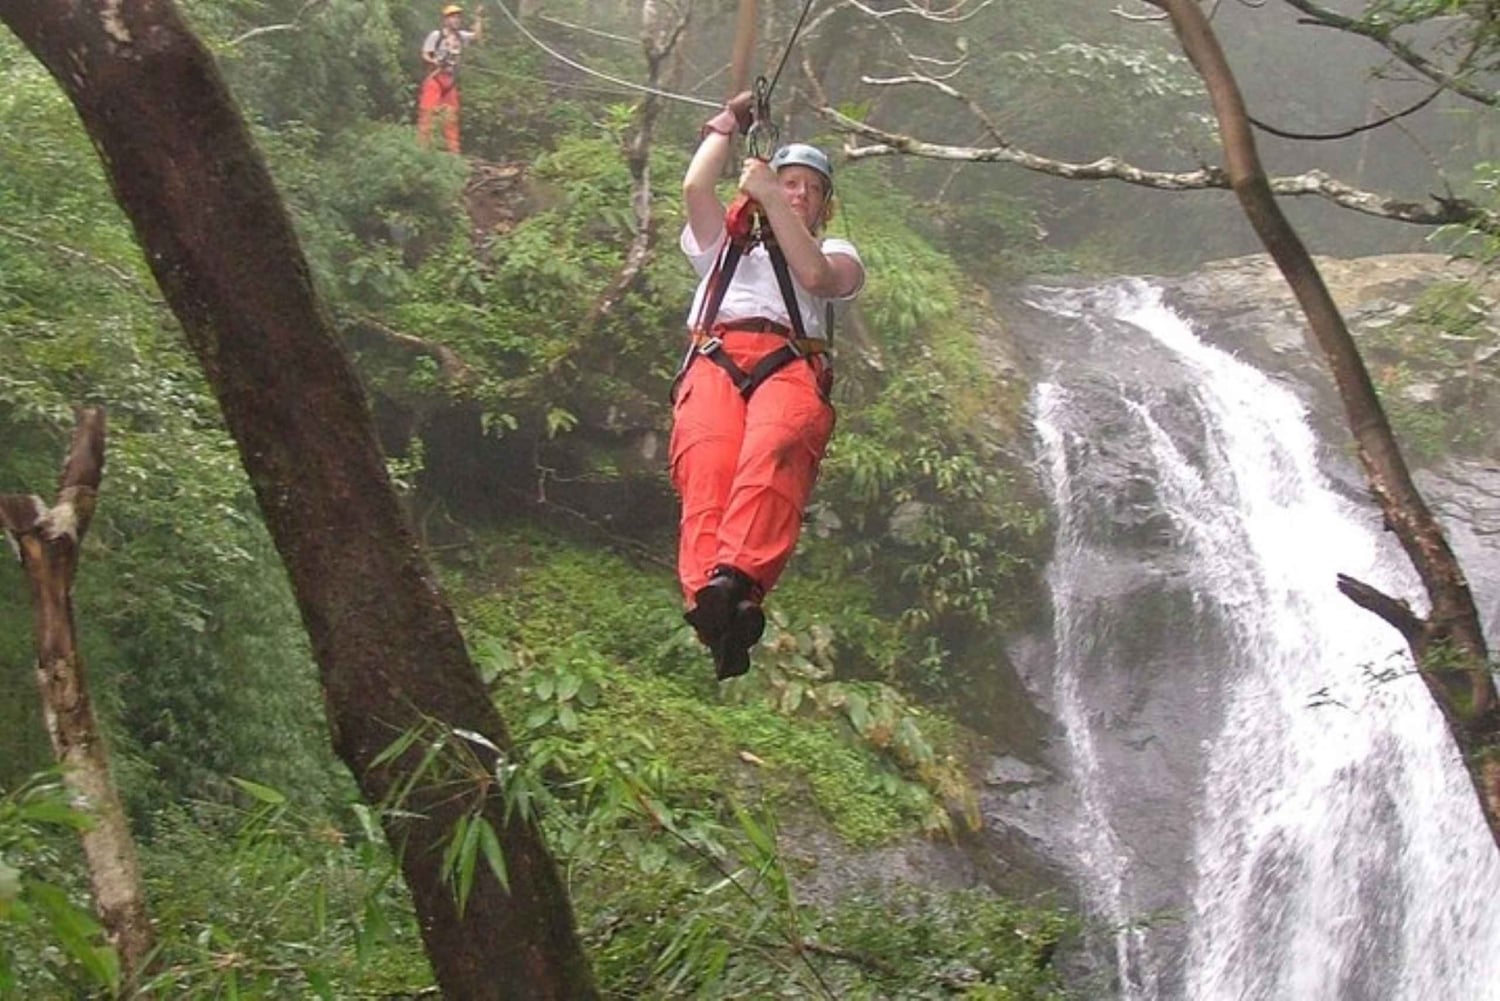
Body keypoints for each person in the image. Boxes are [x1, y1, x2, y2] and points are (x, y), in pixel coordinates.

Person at [672, 93, 866, 680]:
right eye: (790, 182)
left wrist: (769, 195)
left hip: (788, 363)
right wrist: (728, 123)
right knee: (707, 467)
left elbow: (815, 276)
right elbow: (695, 188)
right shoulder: (724, 246)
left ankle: (739, 579)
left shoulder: (835, 251)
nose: (799, 193)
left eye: (811, 188)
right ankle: (712, 607)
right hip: (716, 357)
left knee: (773, 451)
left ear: (825, 206)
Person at [417, 3, 482, 154]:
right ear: (445, 19)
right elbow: (425, 53)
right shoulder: (436, 35)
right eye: (453, 17)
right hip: (435, 78)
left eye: (458, 17)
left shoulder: (460, 36)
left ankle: (453, 153)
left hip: (450, 81)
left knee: (451, 118)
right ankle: (422, 150)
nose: (456, 20)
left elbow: (477, 36)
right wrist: (434, 61)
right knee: (428, 114)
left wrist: (478, 17)